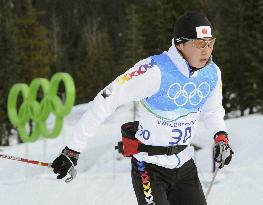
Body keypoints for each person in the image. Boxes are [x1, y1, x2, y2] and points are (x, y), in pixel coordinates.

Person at [51, 11, 234, 205]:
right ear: (180, 44)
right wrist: (73, 149)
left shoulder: (212, 73)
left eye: (210, 43)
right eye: (199, 44)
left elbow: (212, 111)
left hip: (185, 166)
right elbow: (106, 99)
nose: (207, 51)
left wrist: (221, 137)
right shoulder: (154, 70)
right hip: (149, 168)